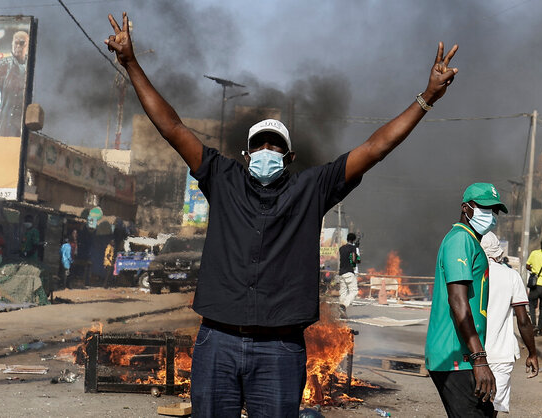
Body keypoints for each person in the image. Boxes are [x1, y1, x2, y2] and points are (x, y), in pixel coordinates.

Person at [105, 11, 459, 416]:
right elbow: (171, 126)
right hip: (217, 342)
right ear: (247, 153)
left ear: (289, 157)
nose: (267, 152)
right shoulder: (222, 178)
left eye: (275, 146)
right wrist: (131, 62)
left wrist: (426, 97)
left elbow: (375, 148)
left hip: (279, 350)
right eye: (260, 146)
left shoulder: (312, 188)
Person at [425, 182, 507, 417]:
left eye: (495, 210)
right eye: (485, 207)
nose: (491, 215)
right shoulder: (460, 240)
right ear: (466, 208)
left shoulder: (471, 241)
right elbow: (458, 302)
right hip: (455, 356)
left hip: (464, 356)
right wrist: (479, 360)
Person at [480, 232, 538, 416]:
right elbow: (523, 320)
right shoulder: (510, 276)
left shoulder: (469, 274)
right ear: (498, 253)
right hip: (500, 356)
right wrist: (532, 353)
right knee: (491, 410)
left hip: (471, 355)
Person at [337, 232, 360, 319]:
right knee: (354, 291)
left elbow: (345, 257)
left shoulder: (341, 248)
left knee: (343, 292)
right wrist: (356, 251)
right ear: (353, 240)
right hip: (349, 272)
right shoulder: (352, 247)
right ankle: (344, 306)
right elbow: (354, 260)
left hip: (341, 272)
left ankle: (341, 313)